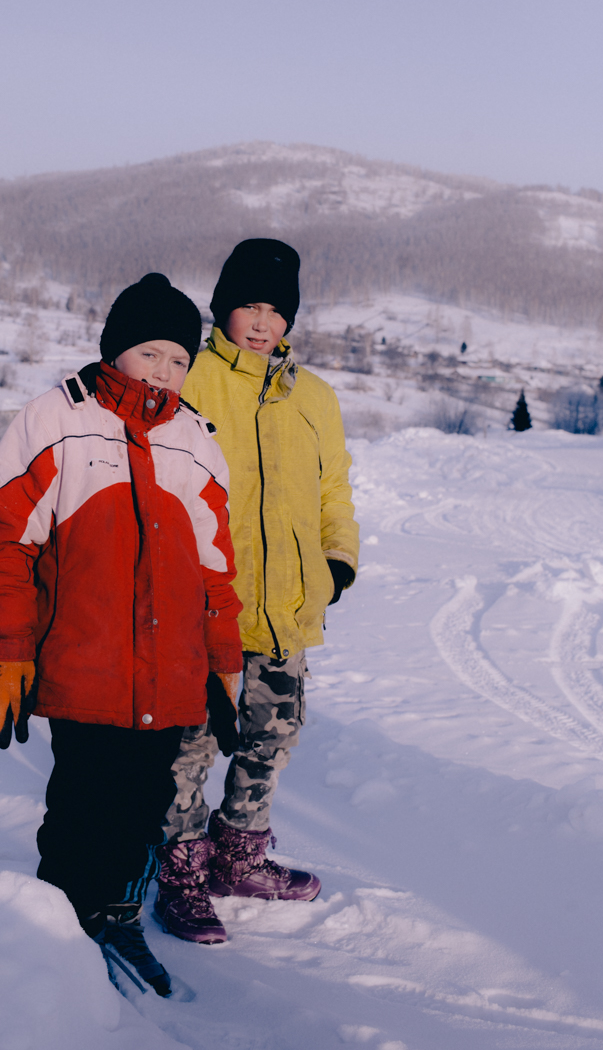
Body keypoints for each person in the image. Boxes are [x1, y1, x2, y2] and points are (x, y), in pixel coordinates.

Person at [0, 273, 243, 995]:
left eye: (179, 360)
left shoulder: (194, 440)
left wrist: (224, 668)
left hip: (170, 672)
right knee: (83, 804)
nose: (164, 372)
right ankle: (55, 929)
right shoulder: (55, 420)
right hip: (86, 664)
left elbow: (215, 570)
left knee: (145, 802)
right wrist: (7, 654)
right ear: (116, 349)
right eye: (151, 353)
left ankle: (116, 913)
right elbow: (4, 546)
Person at [154, 239, 359, 945]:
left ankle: (239, 856)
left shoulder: (315, 397)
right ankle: (179, 867)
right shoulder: (191, 380)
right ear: (223, 308)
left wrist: (335, 565)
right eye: (249, 305)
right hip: (203, 609)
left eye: (276, 310)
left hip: (286, 611)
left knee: (271, 736)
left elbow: (333, 491)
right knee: (193, 744)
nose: (262, 322)